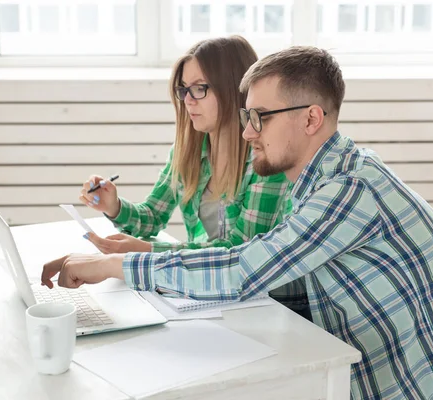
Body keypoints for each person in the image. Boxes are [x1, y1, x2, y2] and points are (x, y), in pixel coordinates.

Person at [42, 46, 433, 399]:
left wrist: (113, 267)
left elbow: (245, 268)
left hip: (410, 382)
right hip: (369, 352)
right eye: (246, 116)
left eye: (259, 118)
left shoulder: (349, 190)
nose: (246, 133)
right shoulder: (329, 176)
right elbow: (274, 268)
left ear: (312, 119)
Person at [77, 35, 307, 314]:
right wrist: (113, 206)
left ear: (234, 89)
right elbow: (152, 216)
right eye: (184, 90)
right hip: (213, 293)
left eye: (200, 88)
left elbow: (240, 251)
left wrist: (149, 252)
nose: (188, 100)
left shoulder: (265, 158)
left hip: (272, 303)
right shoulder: (187, 151)